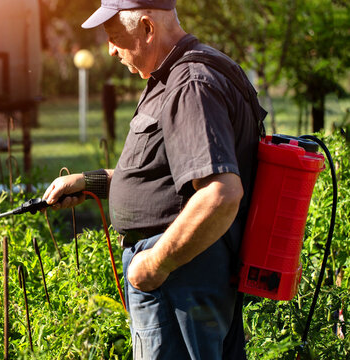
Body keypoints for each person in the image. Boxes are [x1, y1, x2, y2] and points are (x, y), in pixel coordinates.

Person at [43, 0, 267, 358]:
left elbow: (220, 194)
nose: (111, 50)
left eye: (116, 37)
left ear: (147, 28)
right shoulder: (179, 74)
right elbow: (169, 176)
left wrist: (153, 265)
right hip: (182, 279)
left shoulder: (190, 85)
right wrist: (94, 183)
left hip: (180, 281)